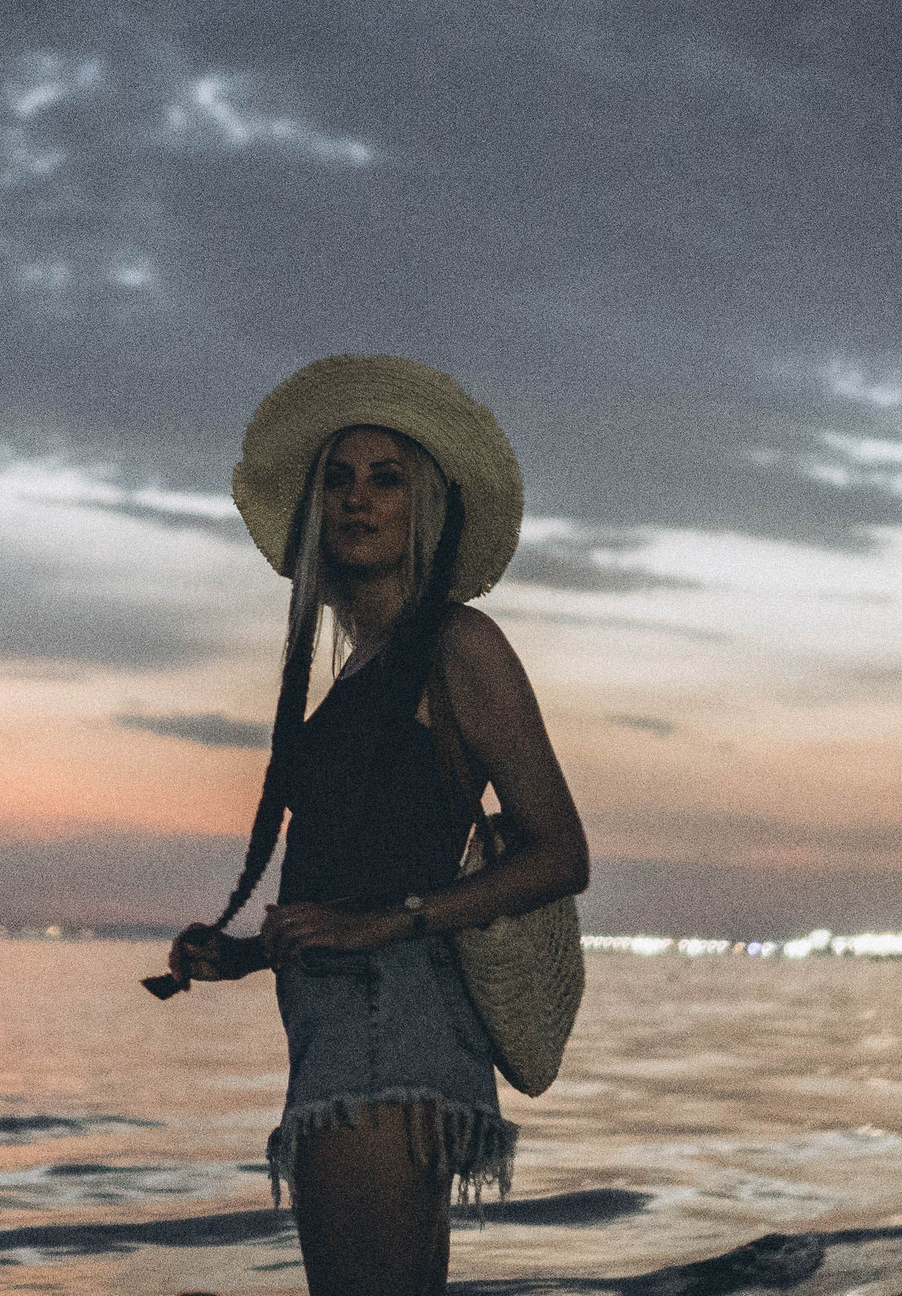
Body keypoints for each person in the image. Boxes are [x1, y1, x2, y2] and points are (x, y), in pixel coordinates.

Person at [160, 356, 589, 1296]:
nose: (357, 498)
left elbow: (562, 853)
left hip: (389, 1021)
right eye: (339, 477)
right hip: (343, 1024)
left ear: (423, 505)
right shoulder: (366, 665)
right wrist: (249, 953)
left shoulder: (457, 644)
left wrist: (384, 924)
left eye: (386, 477)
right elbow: (356, 875)